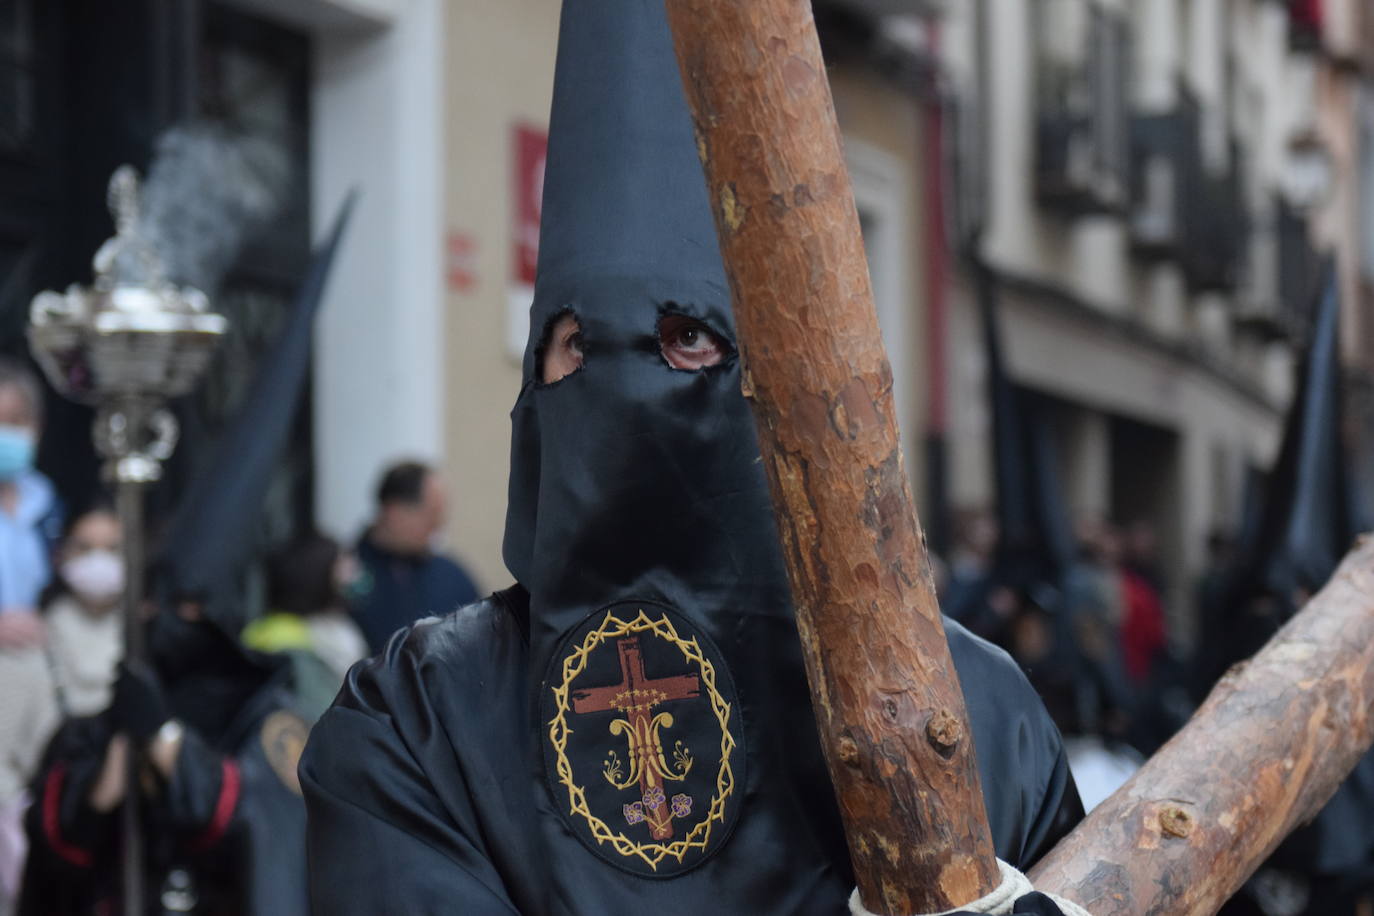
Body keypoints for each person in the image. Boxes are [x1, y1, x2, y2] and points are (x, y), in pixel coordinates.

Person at [300, 3, 1082, 913]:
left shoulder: (965, 715)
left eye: (685, 338)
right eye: (580, 345)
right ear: (535, 384)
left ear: (769, 379)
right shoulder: (416, 725)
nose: (631, 381)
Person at [20, 596, 311, 914]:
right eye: (149, 606)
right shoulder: (95, 730)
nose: (162, 618)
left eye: (184, 606)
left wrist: (165, 737)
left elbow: (252, 821)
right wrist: (115, 759)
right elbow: (59, 847)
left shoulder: (270, 720)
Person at [348, 461, 479, 651]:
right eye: (431, 515)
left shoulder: (452, 577)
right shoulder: (342, 578)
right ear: (395, 513)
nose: (437, 527)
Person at [243, 531, 368, 721]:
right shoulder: (298, 640)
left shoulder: (263, 628)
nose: (354, 572)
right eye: (344, 566)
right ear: (319, 575)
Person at [43, 506, 124, 718]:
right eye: (84, 548)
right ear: (60, 554)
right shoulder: (38, 633)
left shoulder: (148, 630)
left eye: (113, 548)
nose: (98, 562)